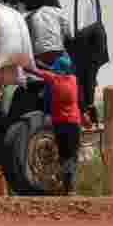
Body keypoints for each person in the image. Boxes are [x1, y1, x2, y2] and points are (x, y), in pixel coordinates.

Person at [23, 57, 81, 195]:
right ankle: (69, 186)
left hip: (59, 123)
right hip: (74, 123)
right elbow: (55, 71)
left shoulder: (53, 79)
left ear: (57, 69)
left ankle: (62, 181)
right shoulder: (73, 80)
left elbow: (36, 71)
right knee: (71, 155)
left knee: (63, 154)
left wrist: (25, 63)